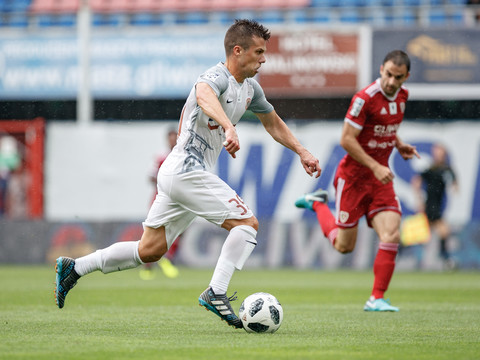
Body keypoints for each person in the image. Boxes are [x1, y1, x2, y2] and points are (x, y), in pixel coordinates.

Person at [54, 19, 321, 329]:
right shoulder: (215, 77)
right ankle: (216, 292)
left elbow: (272, 121)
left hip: (178, 174)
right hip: (186, 169)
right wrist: (229, 125)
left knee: (149, 250)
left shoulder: (249, 88)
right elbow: (204, 94)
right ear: (238, 51)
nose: (264, 59)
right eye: (259, 52)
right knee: (247, 223)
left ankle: (75, 267)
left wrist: (301, 151)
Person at [295, 50, 419, 312]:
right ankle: (317, 204)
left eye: (398, 77)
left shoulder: (403, 96)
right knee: (344, 246)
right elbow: (347, 139)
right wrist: (374, 165)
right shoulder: (365, 98)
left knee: (391, 234)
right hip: (353, 179)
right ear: (381, 69)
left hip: (380, 179)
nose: (391, 82)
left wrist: (399, 145)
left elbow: (387, 127)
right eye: (387, 74)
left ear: (406, 77)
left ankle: (376, 298)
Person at [139, 129, 180, 280]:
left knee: (177, 229)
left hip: (177, 199)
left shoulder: (182, 155)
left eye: (175, 137)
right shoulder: (161, 157)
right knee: (153, 230)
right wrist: (166, 181)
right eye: (171, 138)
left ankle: (167, 258)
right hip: (160, 198)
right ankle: (147, 265)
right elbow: (150, 177)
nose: (173, 140)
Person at [411, 143, 458, 270]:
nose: (439, 155)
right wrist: (419, 199)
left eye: (441, 152)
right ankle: (447, 260)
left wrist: (455, 186)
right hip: (429, 206)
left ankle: (446, 259)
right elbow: (416, 181)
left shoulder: (447, 169)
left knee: (438, 233)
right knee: (422, 234)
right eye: (437, 152)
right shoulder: (431, 169)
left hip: (438, 206)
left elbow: (455, 182)